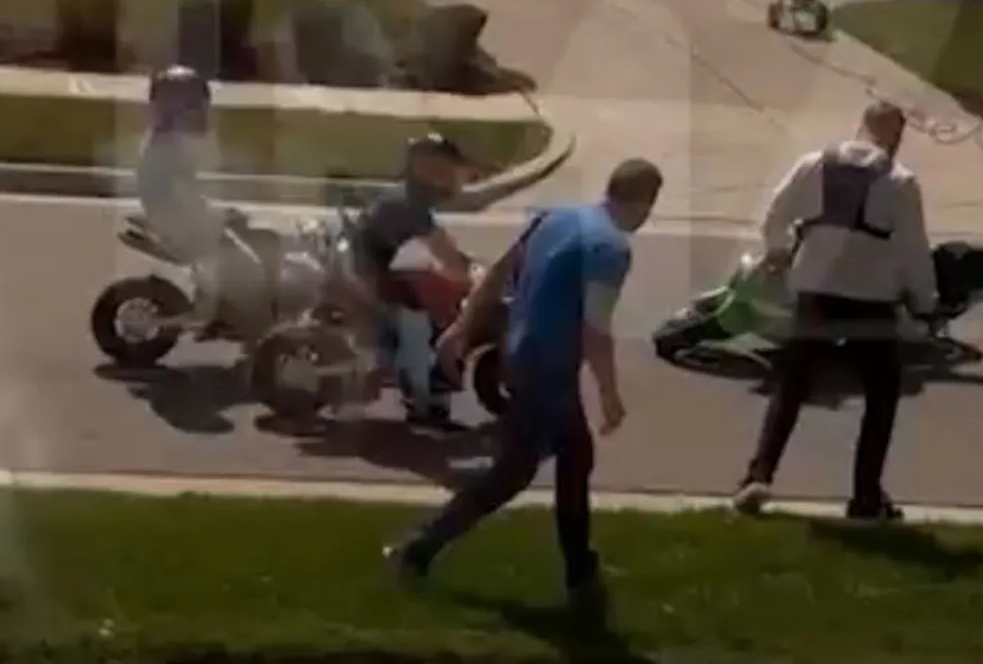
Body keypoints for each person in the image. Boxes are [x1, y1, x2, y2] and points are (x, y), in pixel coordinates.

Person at [383, 158, 664, 612]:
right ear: (645, 202)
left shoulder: (556, 217)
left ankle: (582, 576)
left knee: (574, 459)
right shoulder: (610, 248)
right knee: (510, 476)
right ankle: (417, 549)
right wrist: (610, 395)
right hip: (546, 370)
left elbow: (496, 274)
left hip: (519, 355)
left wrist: (461, 327)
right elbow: (596, 329)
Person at [732, 101, 938, 521]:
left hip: (815, 289)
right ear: (896, 136)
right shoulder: (900, 182)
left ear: (859, 126)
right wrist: (924, 300)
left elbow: (776, 212)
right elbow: (913, 250)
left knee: (792, 385)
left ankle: (759, 474)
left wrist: (778, 251)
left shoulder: (813, 164)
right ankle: (865, 496)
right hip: (872, 300)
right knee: (882, 396)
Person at [346, 132, 474, 430]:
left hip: (375, 268)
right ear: (427, 171)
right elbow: (442, 248)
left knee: (426, 294)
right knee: (420, 317)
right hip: (369, 276)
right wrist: (467, 274)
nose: (453, 179)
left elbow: (441, 246)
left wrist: (463, 264)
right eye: (447, 171)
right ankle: (420, 403)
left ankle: (421, 387)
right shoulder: (406, 205)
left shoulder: (410, 200)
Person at [135, 64, 270, 343]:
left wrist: (218, 211)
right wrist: (216, 216)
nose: (203, 113)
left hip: (178, 219)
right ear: (178, 108)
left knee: (249, 236)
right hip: (183, 226)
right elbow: (180, 196)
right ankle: (245, 323)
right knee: (251, 268)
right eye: (197, 107)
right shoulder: (167, 148)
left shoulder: (164, 141)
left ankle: (221, 305)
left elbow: (183, 191)